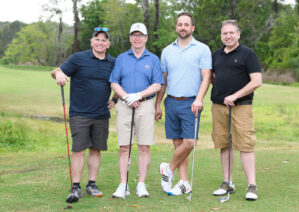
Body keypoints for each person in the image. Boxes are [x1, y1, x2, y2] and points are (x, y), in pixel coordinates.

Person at [51, 27, 117, 203]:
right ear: (91, 41)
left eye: (104, 40)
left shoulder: (113, 62)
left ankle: (92, 184)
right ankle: (76, 187)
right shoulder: (78, 58)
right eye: (97, 39)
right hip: (80, 114)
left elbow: (121, 81)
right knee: (79, 149)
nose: (100, 42)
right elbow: (57, 70)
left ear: (108, 44)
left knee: (96, 149)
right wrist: (58, 74)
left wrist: (116, 99)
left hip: (101, 114)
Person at [155, 12, 212, 196]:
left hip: (191, 103)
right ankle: (184, 182)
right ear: (176, 27)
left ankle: (168, 169)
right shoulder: (166, 51)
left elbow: (206, 77)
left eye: (187, 24)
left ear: (192, 28)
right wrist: (157, 105)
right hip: (171, 102)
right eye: (180, 24)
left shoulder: (202, 49)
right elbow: (163, 82)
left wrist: (199, 98)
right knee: (178, 144)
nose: (183, 27)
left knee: (189, 142)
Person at [109, 23, 164, 198]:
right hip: (125, 106)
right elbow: (114, 83)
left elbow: (157, 84)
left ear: (146, 38)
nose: (137, 38)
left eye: (141, 35)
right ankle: (123, 184)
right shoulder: (121, 58)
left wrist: (138, 95)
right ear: (130, 38)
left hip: (145, 105)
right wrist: (126, 97)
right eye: (134, 35)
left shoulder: (153, 59)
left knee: (143, 146)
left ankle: (141, 184)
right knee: (124, 147)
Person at [211, 20, 262, 201]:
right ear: (221, 35)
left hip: (241, 107)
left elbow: (256, 81)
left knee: (245, 145)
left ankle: (252, 186)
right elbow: (213, 77)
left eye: (232, 33)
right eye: (225, 33)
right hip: (218, 106)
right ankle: (228, 182)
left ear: (238, 34)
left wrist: (235, 95)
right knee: (224, 144)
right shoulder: (216, 54)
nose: (228, 36)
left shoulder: (248, 54)